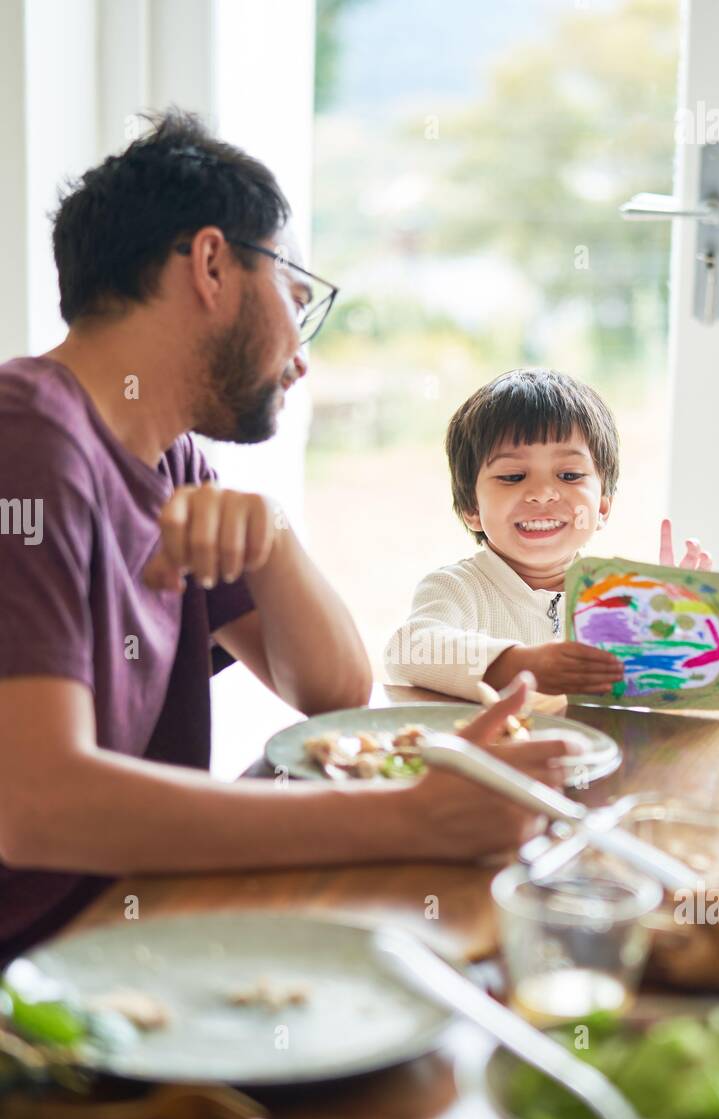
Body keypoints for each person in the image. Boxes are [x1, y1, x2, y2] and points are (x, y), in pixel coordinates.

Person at [0, 112, 578, 962]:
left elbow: (333, 691)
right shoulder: (28, 437)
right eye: (296, 299)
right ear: (210, 265)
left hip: (132, 924)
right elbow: (37, 808)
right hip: (40, 979)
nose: (301, 358)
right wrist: (407, 816)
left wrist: (269, 533)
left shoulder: (172, 463)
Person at [384, 367, 711, 700]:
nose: (542, 493)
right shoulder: (458, 588)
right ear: (472, 509)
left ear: (601, 507)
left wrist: (675, 626)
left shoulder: (619, 598)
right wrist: (521, 665)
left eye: (569, 475)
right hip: (494, 751)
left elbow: (653, 700)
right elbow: (410, 649)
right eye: (513, 476)